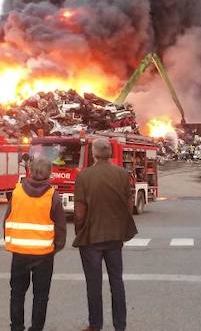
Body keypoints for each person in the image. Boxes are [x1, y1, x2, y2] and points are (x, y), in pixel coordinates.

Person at [73, 137, 138, 331]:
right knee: (116, 281)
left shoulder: (84, 176)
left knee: (93, 283)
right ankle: (120, 325)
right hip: (115, 236)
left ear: (93, 153)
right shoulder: (122, 174)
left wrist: (80, 229)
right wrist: (122, 224)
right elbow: (129, 203)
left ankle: (95, 324)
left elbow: (79, 210)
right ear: (110, 153)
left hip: (91, 237)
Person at [4, 157, 67, 331]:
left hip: (19, 252)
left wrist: (12, 242)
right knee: (41, 295)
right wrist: (55, 248)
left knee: (17, 293)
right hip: (44, 254)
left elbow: (7, 220)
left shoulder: (17, 192)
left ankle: (16, 327)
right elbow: (61, 228)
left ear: (30, 171)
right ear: (49, 174)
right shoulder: (52, 196)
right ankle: (36, 328)